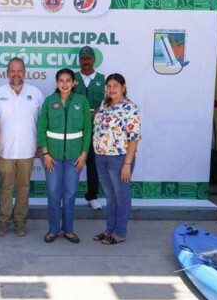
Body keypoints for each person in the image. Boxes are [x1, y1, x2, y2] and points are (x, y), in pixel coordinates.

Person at [0, 57, 44, 236]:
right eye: (12, 70)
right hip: (4, 150)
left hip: (28, 150)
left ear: (24, 71)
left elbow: (42, 122)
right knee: (5, 188)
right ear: (7, 72)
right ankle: (3, 222)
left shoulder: (35, 93)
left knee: (23, 187)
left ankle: (20, 222)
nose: (16, 74)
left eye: (19, 70)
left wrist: (40, 145)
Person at [37, 69, 92, 243]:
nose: (64, 84)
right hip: (51, 157)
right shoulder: (49, 101)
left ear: (74, 83)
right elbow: (41, 129)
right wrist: (45, 153)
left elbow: (88, 130)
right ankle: (53, 229)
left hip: (74, 157)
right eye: (61, 80)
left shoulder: (81, 101)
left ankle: (68, 229)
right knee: (54, 193)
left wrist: (84, 154)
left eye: (68, 80)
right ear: (56, 83)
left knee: (69, 193)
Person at [92, 73, 141, 245]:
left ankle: (120, 232)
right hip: (101, 157)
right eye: (109, 86)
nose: (111, 89)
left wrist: (127, 163)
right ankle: (109, 230)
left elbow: (134, 137)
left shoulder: (130, 107)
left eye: (115, 85)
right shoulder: (104, 105)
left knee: (121, 197)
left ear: (123, 87)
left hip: (119, 159)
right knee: (110, 197)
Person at [73, 46, 106, 210]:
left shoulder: (103, 79)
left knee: (93, 165)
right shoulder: (72, 79)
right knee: (72, 164)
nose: (85, 61)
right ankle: (69, 196)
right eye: (83, 58)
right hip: (76, 130)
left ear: (94, 60)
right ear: (79, 60)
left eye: (88, 58)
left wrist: (101, 110)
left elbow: (110, 102)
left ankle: (92, 196)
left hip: (96, 131)